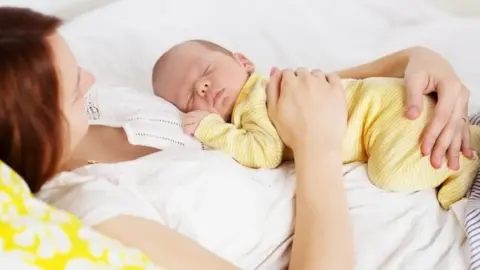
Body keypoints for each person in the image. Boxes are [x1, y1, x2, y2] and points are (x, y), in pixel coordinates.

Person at [0, 6, 473, 270]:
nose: (88, 77)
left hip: (443, 148)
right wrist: (318, 149)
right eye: (68, 85)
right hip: (451, 233)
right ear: (30, 127)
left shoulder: (107, 104)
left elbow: (290, 96)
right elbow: (305, 131)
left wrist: (416, 60)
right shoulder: (95, 213)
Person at [152, 39, 480, 209]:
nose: (202, 87)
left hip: (385, 111)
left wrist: (209, 127)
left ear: (244, 61)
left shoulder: (255, 100)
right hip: (387, 104)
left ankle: (463, 161)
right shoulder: (266, 96)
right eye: (189, 97)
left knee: (390, 173)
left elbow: (264, 152)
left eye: (207, 71)